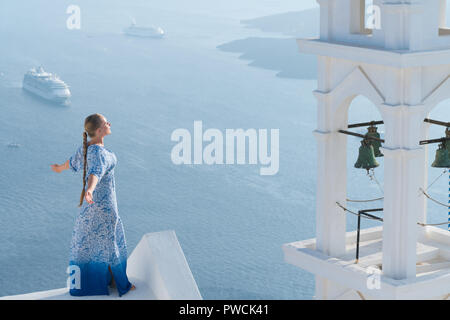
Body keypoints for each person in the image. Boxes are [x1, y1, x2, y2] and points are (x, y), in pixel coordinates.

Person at [50, 113, 135, 297]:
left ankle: (92, 284)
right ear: (99, 130)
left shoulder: (86, 149)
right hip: (105, 207)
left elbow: (71, 163)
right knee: (111, 244)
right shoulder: (100, 154)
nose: (109, 123)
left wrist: (58, 168)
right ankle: (121, 284)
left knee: (87, 244)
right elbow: (94, 174)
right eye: (106, 123)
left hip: (89, 209)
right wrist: (89, 190)